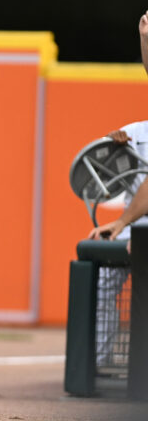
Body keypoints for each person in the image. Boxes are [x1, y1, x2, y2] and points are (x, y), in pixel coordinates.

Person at [87, 121, 148, 367]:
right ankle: (96, 365)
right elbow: (96, 181)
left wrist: (122, 223)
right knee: (102, 283)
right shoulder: (133, 133)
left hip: (130, 224)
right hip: (133, 224)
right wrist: (112, 150)